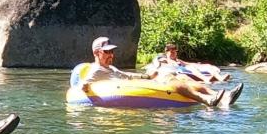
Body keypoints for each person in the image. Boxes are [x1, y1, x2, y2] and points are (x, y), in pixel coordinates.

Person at [72, 37, 241, 108]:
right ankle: (208, 100)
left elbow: (129, 76)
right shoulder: (95, 70)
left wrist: (147, 76)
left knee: (179, 76)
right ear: (96, 53)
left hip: (134, 84)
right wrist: (85, 85)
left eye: (112, 51)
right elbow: (82, 84)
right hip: (125, 91)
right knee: (171, 81)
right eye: (107, 52)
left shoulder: (111, 68)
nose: (111, 55)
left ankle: (220, 95)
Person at [145, 42, 231, 83]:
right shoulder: (164, 59)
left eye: (175, 52)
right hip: (178, 72)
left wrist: (205, 65)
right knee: (190, 68)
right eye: (172, 52)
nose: (174, 54)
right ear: (166, 52)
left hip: (184, 69)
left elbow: (189, 64)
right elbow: (157, 64)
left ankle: (220, 78)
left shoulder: (178, 60)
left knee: (207, 66)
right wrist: (159, 63)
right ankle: (206, 79)